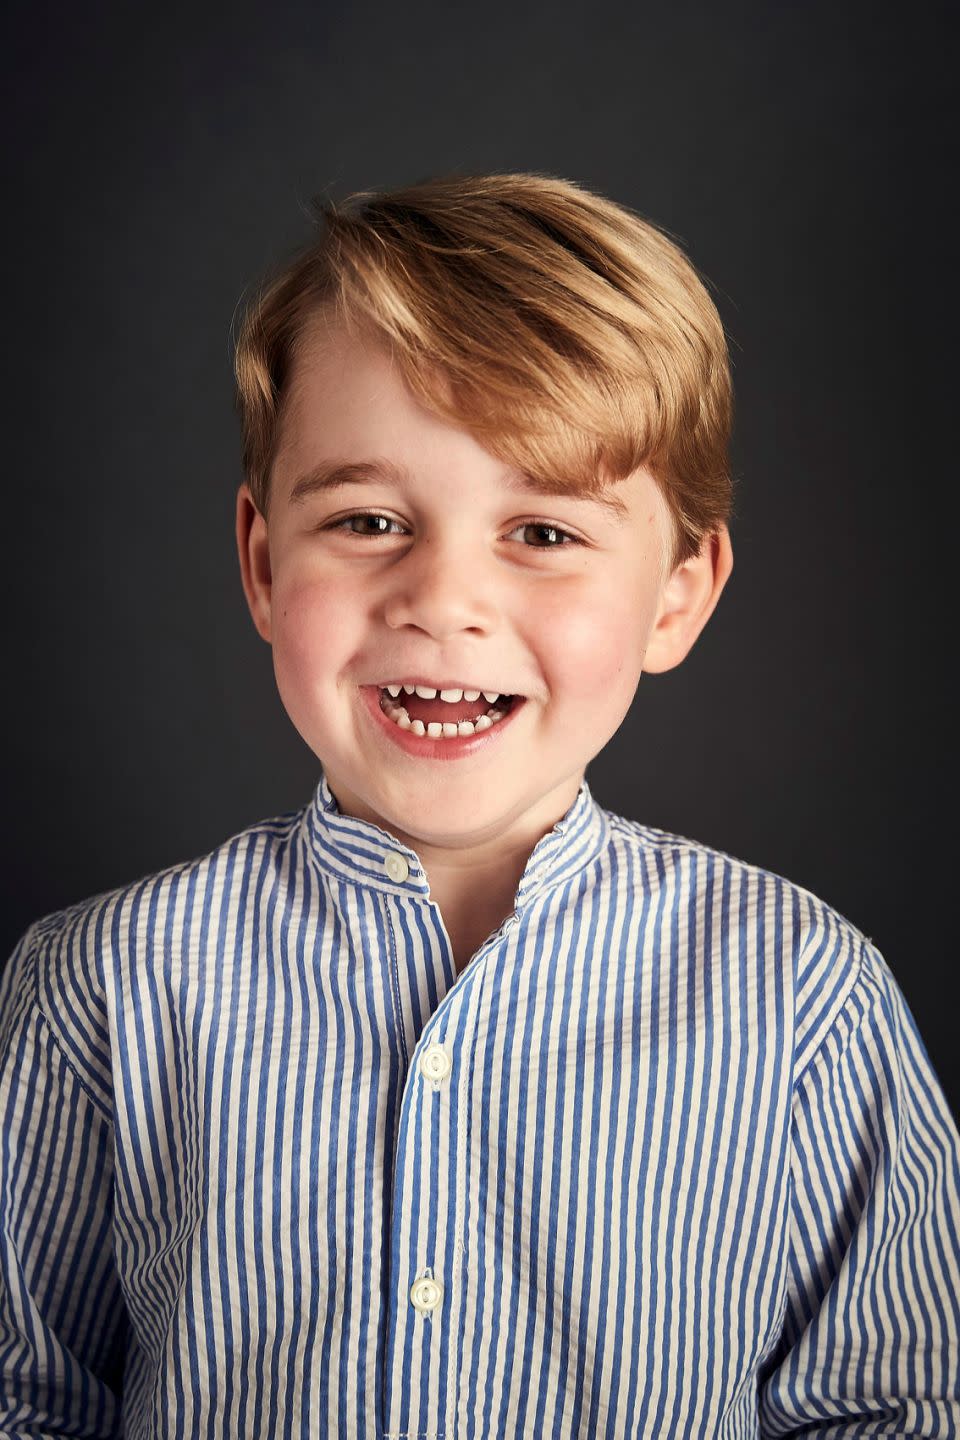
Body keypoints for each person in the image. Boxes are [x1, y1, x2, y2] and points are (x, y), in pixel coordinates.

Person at [1, 172, 957, 1440]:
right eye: (369, 518)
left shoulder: (805, 1000)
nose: (442, 602)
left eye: (545, 533)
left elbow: (889, 1410)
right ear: (262, 563)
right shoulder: (101, 991)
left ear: (676, 594)